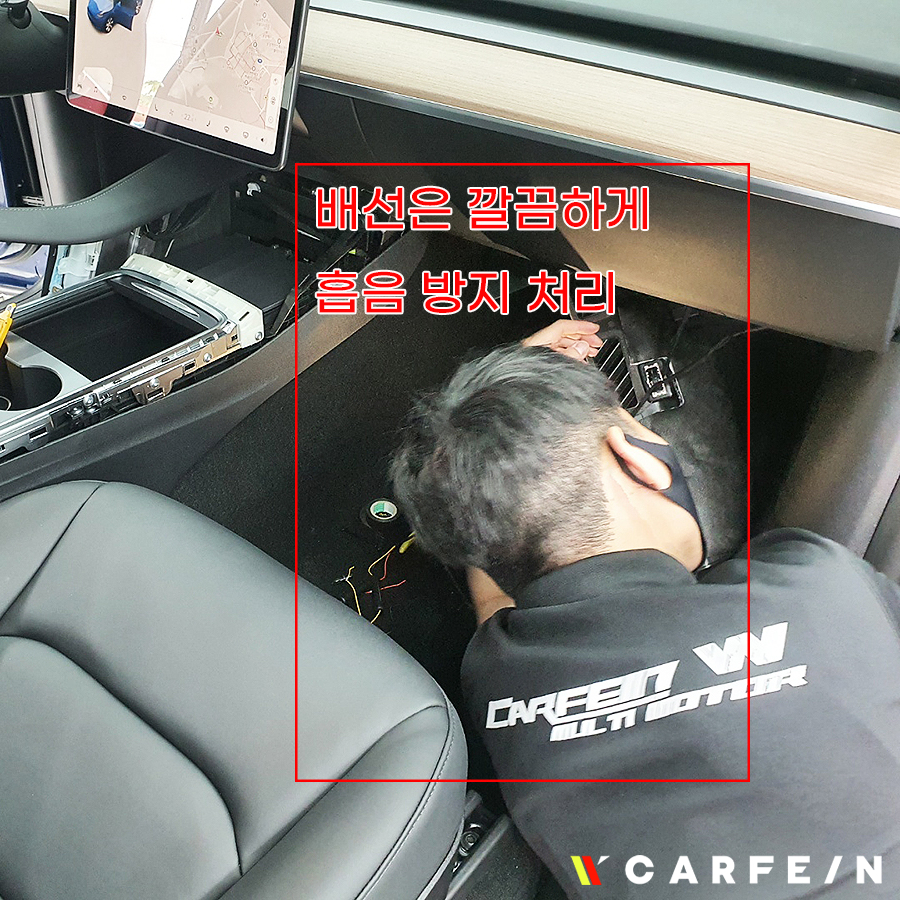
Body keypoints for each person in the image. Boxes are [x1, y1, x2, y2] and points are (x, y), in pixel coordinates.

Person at [390, 321, 900, 898]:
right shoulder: (812, 584)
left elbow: (494, 587)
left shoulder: (497, 676)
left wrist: (486, 439)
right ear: (637, 460)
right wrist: (522, 389)